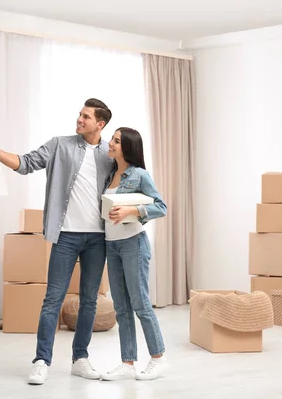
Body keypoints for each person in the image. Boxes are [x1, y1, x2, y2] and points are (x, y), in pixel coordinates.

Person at [0, 98, 115, 386]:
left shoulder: (111, 154)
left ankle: (80, 359)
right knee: (53, 299)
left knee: (89, 301)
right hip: (65, 235)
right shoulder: (60, 145)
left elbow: (129, 179)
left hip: (99, 238)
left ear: (100, 124)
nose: (79, 119)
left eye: (85, 117)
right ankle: (41, 361)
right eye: (79, 114)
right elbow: (25, 164)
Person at [99, 127, 169, 381]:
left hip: (133, 244)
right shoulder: (110, 175)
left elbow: (161, 207)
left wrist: (131, 211)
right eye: (112, 139)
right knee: (121, 307)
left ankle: (158, 358)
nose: (111, 143)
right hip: (112, 245)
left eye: (116, 141)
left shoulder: (139, 174)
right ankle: (127, 362)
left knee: (139, 303)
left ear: (127, 147)